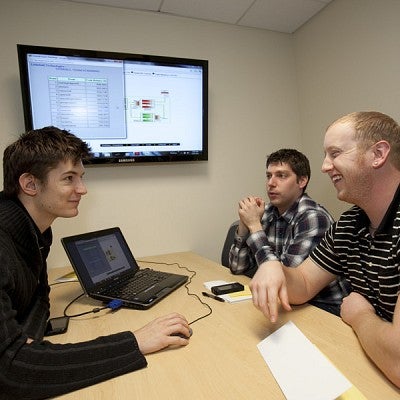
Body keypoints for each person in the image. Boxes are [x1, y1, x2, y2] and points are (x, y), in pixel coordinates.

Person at [0, 127, 192, 399]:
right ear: (30, 184)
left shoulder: (34, 230)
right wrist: (134, 342)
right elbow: (11, 371)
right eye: (69, 178)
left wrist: (25, 345)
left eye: (81, 177)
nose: (83, 189)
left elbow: (37, 303)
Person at [250, 112, 400, 388]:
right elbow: (304, 284)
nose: (324, 166)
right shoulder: (351, 223)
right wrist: (273, 265)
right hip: (369, 363)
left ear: (378, 154)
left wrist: (360, 316)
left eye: (335, 153)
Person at [229, 149, 350, 315]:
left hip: (322, 309)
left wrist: (255, 226)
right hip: (290, 305)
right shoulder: (268, 212)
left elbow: (284, 282)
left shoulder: (313, 218)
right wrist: (245, 225)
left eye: (281, 175)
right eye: (268, 176)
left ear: (302, 181)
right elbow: (237, 268)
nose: (271, 183)